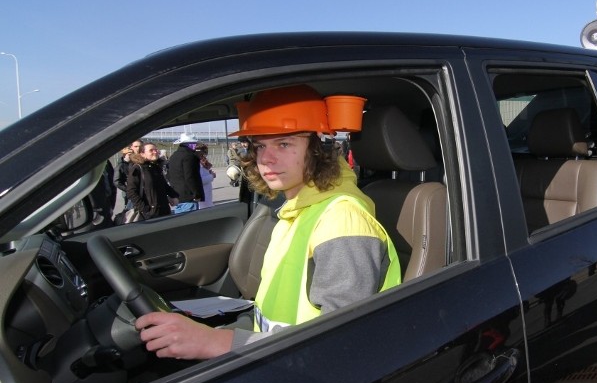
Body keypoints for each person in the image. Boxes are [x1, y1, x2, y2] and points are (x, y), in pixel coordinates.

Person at [135, 85, 402, 360]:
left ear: (318, 150)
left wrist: (216, 341)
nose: (266, 158)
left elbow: (337, 343)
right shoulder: (294, 210)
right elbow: (268, 320)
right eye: (260, 145)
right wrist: (214, 335)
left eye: (284, 143)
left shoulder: (343, 222)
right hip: (275, 360)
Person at [125, 142, 178, 221]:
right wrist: (146, 209)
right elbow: (131, 192)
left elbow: (163, 185)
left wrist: (174, 196)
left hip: (164, 211)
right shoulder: (137, 168)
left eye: (156, 150)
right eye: (151, 150)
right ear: (142, 154)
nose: (155, 152)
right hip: (149, 215)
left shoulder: (155, 167)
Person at [168, 133, 204, 213]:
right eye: (194, 143)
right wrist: (196, 193)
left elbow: (169, 175)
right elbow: (190, 177)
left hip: (177, 194)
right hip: (189, 195)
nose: (195, 145)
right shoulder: (190, 156)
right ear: (189, 144)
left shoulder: (174, 156)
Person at [196, 142, 216, 209]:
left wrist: (209, 173)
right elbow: (201, 180)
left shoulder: (203, 162)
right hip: (203, 196)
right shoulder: (198, 163)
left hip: (207, 194)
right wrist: (211, 176)